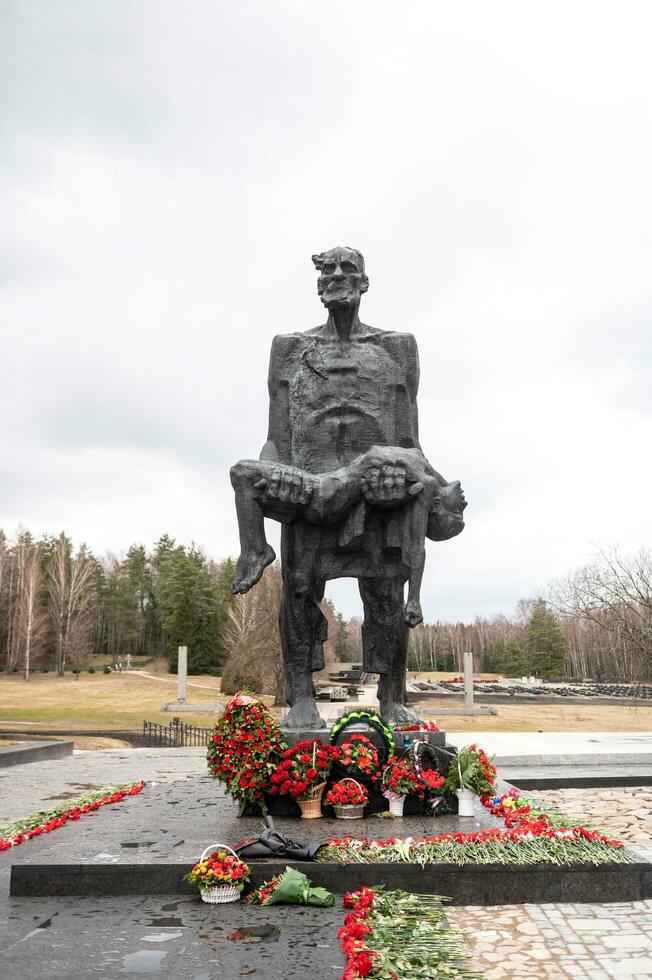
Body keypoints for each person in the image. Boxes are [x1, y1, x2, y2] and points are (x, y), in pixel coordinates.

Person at [230, 246, 466, 728]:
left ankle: (392, 698)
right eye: (328, 270)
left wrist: (432, 490)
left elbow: (407, 437)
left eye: (348, 269)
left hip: (380, 493)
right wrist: (278, 483)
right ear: (319, 285)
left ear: (364, 282)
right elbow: (276, 437)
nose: (338, 276)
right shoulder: (289, 347)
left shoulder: (396, 346)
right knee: (298, 589)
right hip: (310, 485)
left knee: (386, 595)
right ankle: (300, 698)